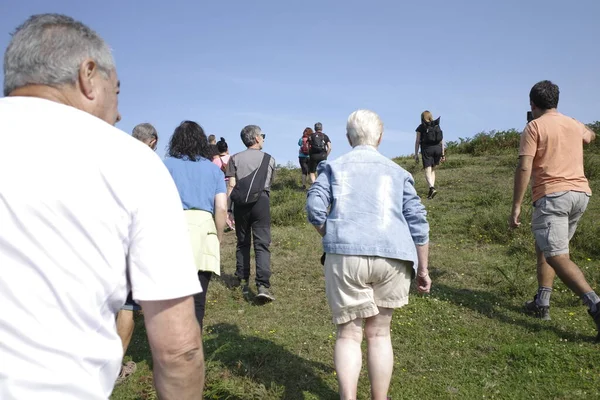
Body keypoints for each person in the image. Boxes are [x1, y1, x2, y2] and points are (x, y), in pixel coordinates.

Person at [0, 14, 205, 400]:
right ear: (88, 74)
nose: (120, 112)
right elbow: (180, 348)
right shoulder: (131, 161)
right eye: (118, 91)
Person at [306, 109, 431, 400]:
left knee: (349, 335)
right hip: (393, 257)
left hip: (345, 257)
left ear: (349, 138)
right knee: (379, 334)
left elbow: (314, 209)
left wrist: (333, 237)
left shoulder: (333, 167)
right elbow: (418, 223)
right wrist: (423, 270)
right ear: (380, 137)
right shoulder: (398, 173)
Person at [510, 80, 599, 338]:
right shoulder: (572, 123)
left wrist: (516, 205)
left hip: (553, 196)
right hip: (580, 194)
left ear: (532, 104)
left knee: (556, 255)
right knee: (548, 247)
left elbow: (524, 167)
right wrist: (581, 130)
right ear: (556, 101)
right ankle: (542, 303)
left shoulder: (534, 127)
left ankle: (595, 304)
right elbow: (590, 136)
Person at [164, 121, 227, 330]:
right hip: (204, 229)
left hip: (173, 229)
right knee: (198, 298)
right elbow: (221, 208)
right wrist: (218, 235)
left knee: (172, 297)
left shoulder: (166, 165)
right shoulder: (213, 170)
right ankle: (193, 348)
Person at [115, 122, 160, 385]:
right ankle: (113, 367)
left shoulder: (114, 156)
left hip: (105, 238)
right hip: (134, 239)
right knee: (127, 306)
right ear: (152, 141)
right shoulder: (150, 164)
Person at [225, 125, 276, 301]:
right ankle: (263, 285)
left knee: (242, 242)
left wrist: (229, 209)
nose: (263, 138)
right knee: (262, 244)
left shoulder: (235, 158)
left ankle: (242, 279)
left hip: (240, 204)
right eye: (262, 135)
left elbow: (231, 185)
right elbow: (269, 183)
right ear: (256, 138)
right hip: (261, 201)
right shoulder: (269, 159)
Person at [414, 110, 445, 199]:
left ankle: (431, 187)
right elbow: (441, 140)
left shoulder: (421, 127)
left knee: (427, 169)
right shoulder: (436, 125)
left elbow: (417, 141)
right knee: (433, 169)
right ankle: (431, 191)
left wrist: (416, 154)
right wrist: (443, 154)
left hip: (427, 149)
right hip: (437, 149)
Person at [213, 137, 236, 231]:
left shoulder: (214, 161)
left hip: (220, 184)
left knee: (221, 205)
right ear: (227, 148)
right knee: (232, 204)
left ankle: (224, 221)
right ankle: (232, 221)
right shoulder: (232, 158)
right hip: (231, 182)